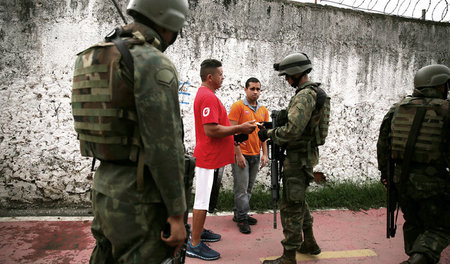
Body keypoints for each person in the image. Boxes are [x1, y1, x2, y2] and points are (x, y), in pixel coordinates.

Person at [71, 0, 190, 263]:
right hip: (140, 199)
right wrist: (176, 214)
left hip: (103, 187)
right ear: (169, 22)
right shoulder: (152, 62)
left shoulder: (90, 56)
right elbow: (165, 148)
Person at [258, 53, 330, 264]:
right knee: (299, 201)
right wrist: (278, 117)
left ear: (297, 73)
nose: (286, 80)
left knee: (290, 206)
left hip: (298, 158)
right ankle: (309, 243)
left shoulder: (304, 95)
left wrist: (269, 134)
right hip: (305, 156)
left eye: (288, 76)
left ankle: (288, 256)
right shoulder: (310, 93)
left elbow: (292, 131)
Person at [377, 64, 450, 264]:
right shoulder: (446, 111)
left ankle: (415, 255)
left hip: (401, 181)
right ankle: (418, 259)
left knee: (413, 222)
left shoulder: (397, 108)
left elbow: (383, 145)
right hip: (433, 184)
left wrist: (386, 176)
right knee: (440, 227)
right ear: (441, 86)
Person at [187, 59, 257, 260]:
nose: (223, 77)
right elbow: (211, 129)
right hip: (207, 157)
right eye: (220, 74)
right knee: (201, 200)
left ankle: (198, 232)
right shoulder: (207, 97)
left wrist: (236, 133)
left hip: (211, 157)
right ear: (210, 77)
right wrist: (239, 128)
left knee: (206, 198)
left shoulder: (208, 95)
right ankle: (194, 243)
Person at [228, 77, 269, 234]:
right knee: (241, 189)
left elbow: (264, 134)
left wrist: (265, 154)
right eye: (252, 88)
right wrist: (238, 155)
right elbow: (232, 132)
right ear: (245, 89)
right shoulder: (237, 107)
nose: (255, 92)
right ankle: (242, 218)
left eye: (258, 89)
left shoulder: (263, 110)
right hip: (242, 154)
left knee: (249, 188)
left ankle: (239, 214)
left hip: (255, 155)